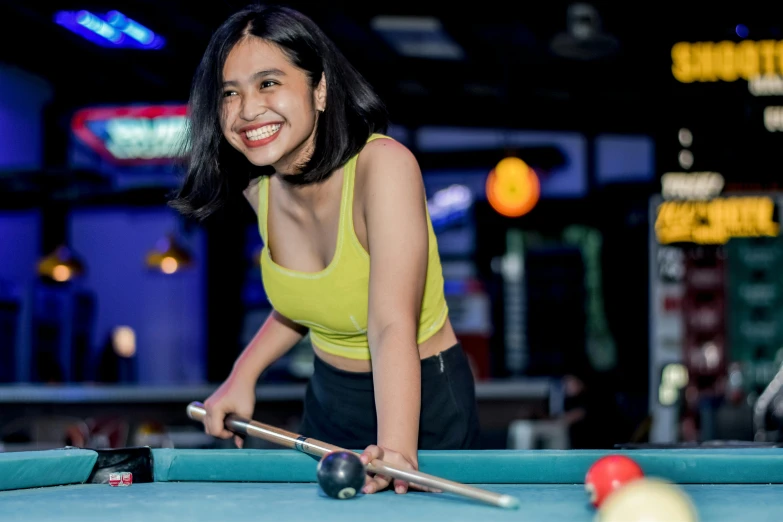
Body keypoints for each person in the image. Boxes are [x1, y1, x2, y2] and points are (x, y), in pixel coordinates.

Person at [169, 3, 480, 495]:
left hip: (420, 398)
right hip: (328, 399)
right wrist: (240, 377)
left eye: (268, 83)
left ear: (319, 90)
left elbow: (390, 320)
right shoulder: (260, 191)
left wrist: (396, 448)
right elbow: (303, 305)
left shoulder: (384, 166)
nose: (247, 109)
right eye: (230, 92)